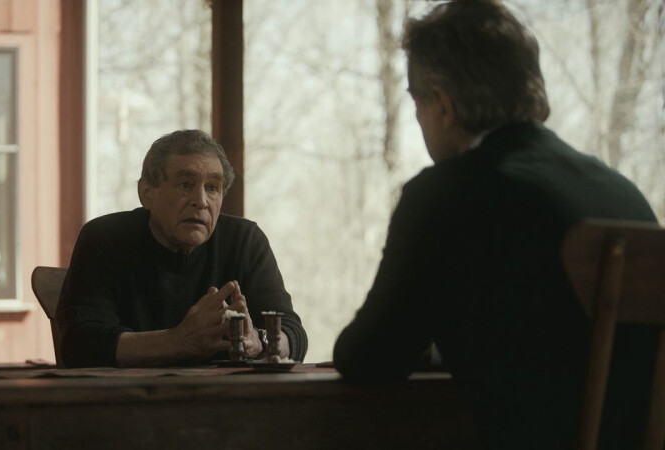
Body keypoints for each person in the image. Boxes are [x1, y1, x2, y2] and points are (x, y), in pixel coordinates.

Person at [333, 1, 658, 448]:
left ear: (442, 105)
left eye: (416, 101)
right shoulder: (624, 194)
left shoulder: (447, 194)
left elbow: (367, 358)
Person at [57, 129, 308, 368]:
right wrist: (178, 341)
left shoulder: (245, 241)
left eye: (212, 188)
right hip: (128, 396)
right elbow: (79, 344)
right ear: (146, 193)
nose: (201, 201)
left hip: (225, 396)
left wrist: (259, 342)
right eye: (185, 184)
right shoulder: (104, 238)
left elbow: (293, 334)